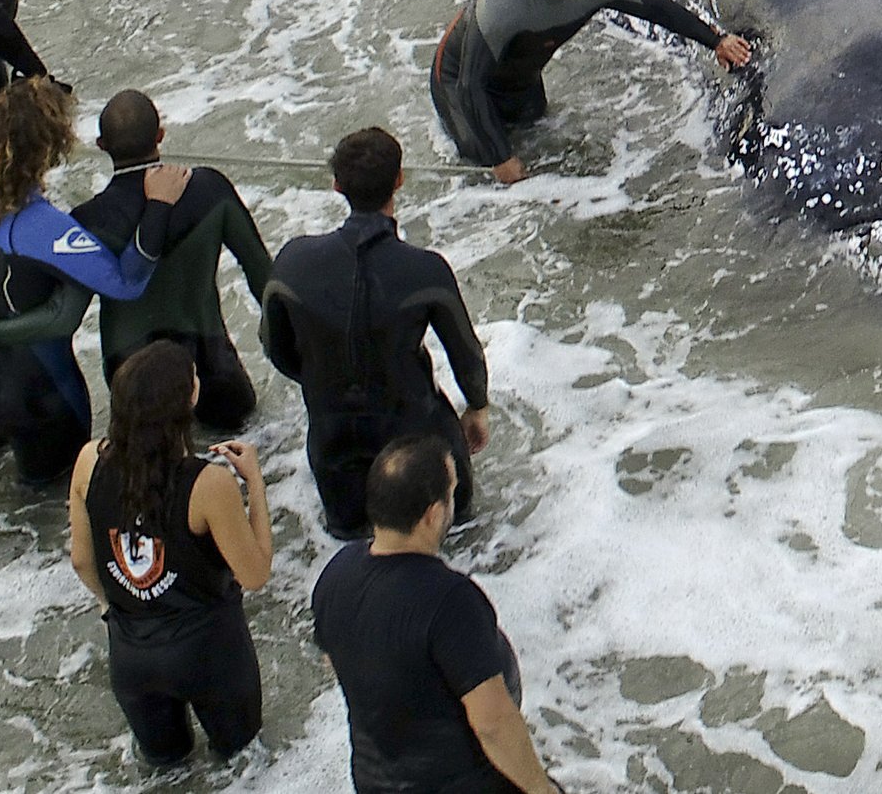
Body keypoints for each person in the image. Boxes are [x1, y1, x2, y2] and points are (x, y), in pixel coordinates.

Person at [0, 78, 179, 484]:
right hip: (41, 400)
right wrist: (158, 206)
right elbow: (127, 282)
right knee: (55, 512)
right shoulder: (47, 229)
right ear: (48, 151)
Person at [263, 129, 491, 537]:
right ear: (399, 179)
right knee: (457, 534)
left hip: (334, 442)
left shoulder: (293, 262)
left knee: (350, 542)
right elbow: (466, 354)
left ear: (337, 186)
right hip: (414, 440)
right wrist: (477, 407)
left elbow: (274, 346)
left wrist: (321, 376)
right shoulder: (425, 270)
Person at [310, 434, 562, 794]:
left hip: (375, 780)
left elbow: (334, 661)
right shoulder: (451, 601)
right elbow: (492, 724)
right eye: (451, 493)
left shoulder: (336, 575)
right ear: (433, 515)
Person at [66, 342, 274, 765]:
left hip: (132, 656)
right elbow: (255, 574)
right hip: (209, 654)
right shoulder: (208, 485)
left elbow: (82, 561)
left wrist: (118, 608)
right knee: (243, 764)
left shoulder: (89, 460)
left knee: (165, 771)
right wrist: (254, 483)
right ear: (189, 400)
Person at [430, 0, 751, 182]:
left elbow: (657, 9)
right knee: (487, 171)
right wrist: (499, 157)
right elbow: (470, 84)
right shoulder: (502, 1)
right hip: (458, 84)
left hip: (520, 82)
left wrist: (717, 42)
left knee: (541, 145)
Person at [68, 92, 274, 428]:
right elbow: (263, 279)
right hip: (211, 367)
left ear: (101, 145)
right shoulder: (211, 187)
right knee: (249, 444)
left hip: (131, 376)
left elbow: (66, 316)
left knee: (148, 467)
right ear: (160, 134)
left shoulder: (87, 220)